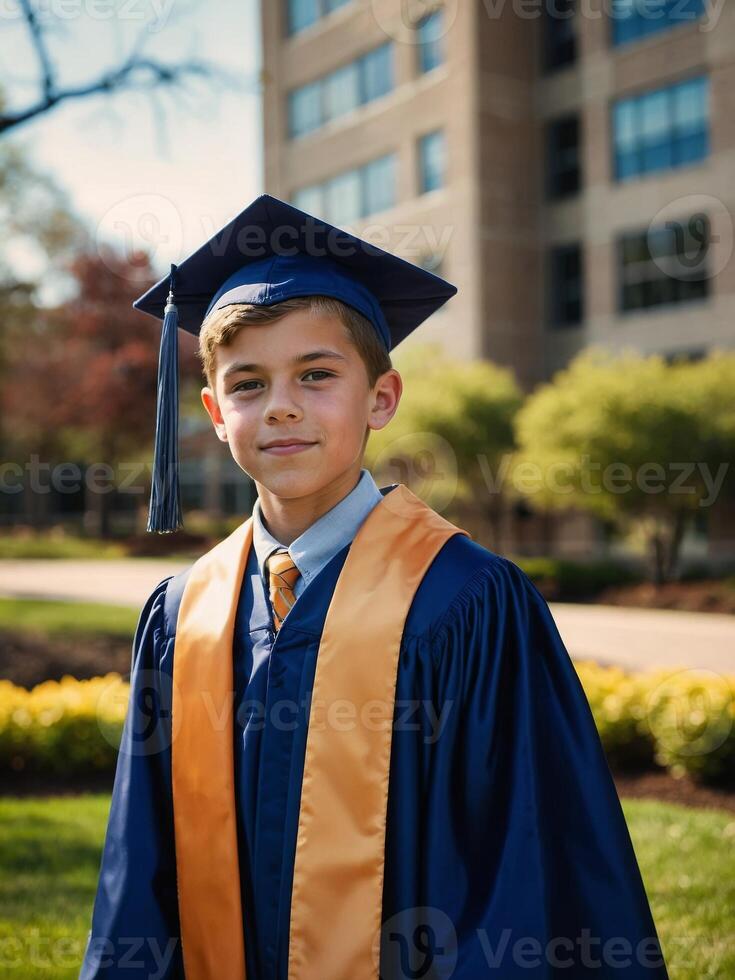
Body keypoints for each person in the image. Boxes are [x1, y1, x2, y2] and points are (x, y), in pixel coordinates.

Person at [80, 194, 669, 979]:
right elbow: (141, 867)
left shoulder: (469, 603)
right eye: (248, 384)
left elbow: (525, 860)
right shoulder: (184, 614)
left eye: (316, 375)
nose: (281, 404)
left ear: (381, 399)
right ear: (216, 414)